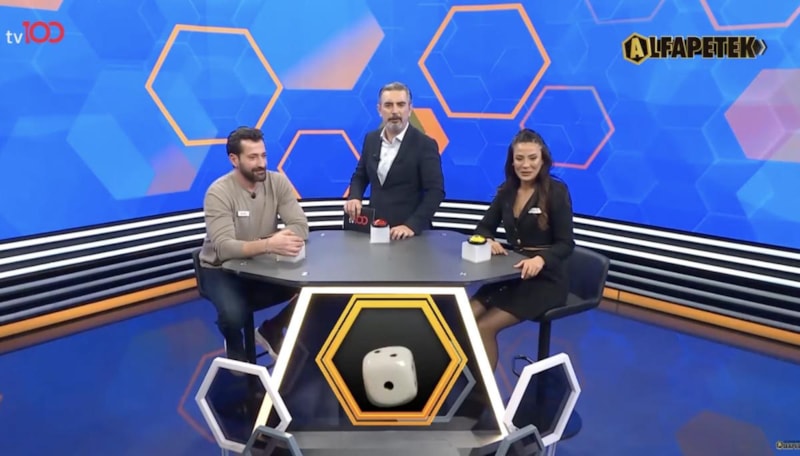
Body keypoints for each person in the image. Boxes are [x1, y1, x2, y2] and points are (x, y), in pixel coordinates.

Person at [199, 126, 309, 362]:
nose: (261, 163)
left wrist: (271, 244)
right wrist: (269, 244)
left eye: (263, 155)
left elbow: (300, 226)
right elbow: (225, 248)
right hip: (220, 269)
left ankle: (272, 328)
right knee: (234, 314)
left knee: (314, 291)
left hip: (260, 263)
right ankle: (234, 340)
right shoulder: (218, 193)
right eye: (252, 157)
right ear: (234, 159)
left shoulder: (277, 182)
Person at [470, 128, 575, 371]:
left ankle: (484, 391)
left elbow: (566, 244)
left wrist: (540, 259)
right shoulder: (506, 192)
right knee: (466, 315)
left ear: (543, 160)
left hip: (546, 280)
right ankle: (465, 376)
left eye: (532, 158)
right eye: (519, 158)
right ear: (512, 161)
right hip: (514, 274)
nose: (525, 165)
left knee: (484, 327)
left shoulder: (556, 192)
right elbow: (483, 228)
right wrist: (487, 240)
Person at [345, 81, 445, 239]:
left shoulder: (424, 144)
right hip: (376, 230)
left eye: (401, 105)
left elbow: (436, 191)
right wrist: (355, 197)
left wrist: (411, 226)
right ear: (379, 109)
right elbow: (360, 176)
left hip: (410, 236)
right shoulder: (371, 139)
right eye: (388, 105)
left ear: (410, 109)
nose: (395, 111)